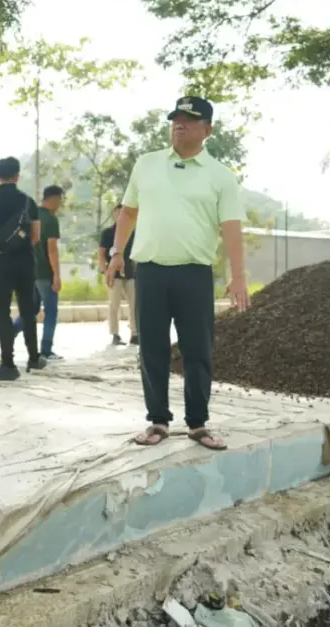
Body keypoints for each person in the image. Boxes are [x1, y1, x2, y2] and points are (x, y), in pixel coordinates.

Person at [105, 96, 249, 451]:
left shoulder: (220, 177)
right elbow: (127, 213)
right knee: (151, 348)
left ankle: (198, 424)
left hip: (195, 275)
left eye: (189, 119)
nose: (179, 124)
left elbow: (231, 228)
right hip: (150, 273)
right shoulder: (147, 164)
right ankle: (157, 421)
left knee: (198, 350)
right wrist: (117, 253)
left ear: (207, 129)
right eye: (175, 119)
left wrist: (239, 275)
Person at [0, 157, 47, 381]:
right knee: (28, 311)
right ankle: (34, 358)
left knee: (2, 313)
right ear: (17, 176)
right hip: (26, 263)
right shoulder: (29, 202)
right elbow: (36, 237)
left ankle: (8, 364)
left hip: (0, 264)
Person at [12, 185, 64, 360]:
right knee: (50, 311)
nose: (60, 205)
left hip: (28, 270)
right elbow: (52, 249)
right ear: (54, 199)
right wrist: (56, 275)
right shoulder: (50, 219)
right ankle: (46, 350)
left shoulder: (31, 215)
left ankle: (9, 335)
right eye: (60, 201)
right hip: (44, 273)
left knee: (30, 309)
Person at [99, 204, 138, 346]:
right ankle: (114, 333)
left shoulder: (133, 232)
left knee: (134, 304)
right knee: (114, 305)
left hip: (130, 273)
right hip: (113, 274)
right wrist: (105, 270)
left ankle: (134, 333)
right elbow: (101, 253)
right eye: (117, 212)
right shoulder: (108, 233)